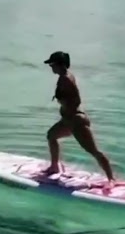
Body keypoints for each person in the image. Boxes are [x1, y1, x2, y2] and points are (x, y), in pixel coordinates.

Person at [42, 51, 116, 183]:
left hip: (76, 121)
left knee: (93, 150)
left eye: (52, 64)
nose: (50, 67)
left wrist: (66, 105)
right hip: (67, 120)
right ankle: (54, 167)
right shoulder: (63, 77)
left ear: (60, 64)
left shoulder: (66, 79)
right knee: (51, 135)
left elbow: (76, 100)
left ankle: (111, 179)